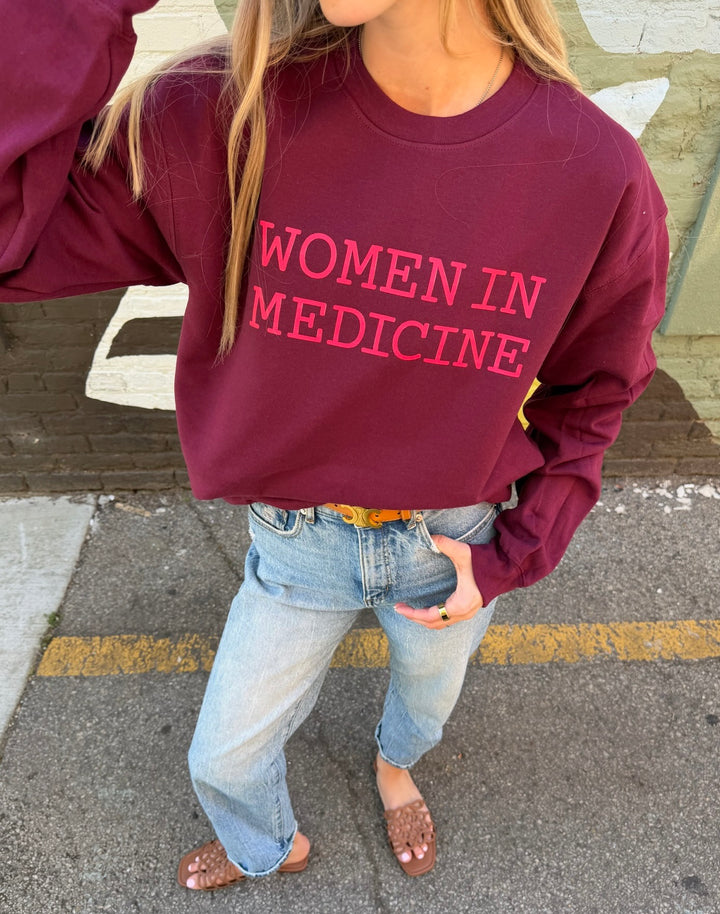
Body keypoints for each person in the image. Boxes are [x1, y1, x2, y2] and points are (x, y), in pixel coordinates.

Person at [1, 0, 668, 889]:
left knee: (423, 715)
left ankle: (395, 771)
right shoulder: (222, 112)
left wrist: (519, 548)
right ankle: (266, 847)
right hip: (296, 544)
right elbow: (15, 238)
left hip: (452, 543)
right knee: (222, 761)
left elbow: (600, 387)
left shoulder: (593, 170)